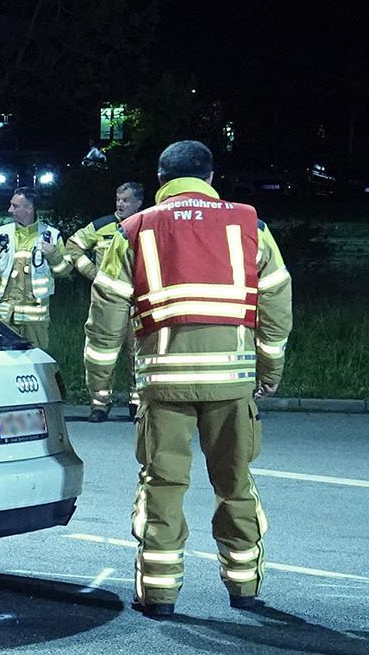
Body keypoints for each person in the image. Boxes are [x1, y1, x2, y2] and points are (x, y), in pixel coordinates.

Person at [85, 141, 293, 617]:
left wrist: (100, 386)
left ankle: (158, 594)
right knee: (236, 482)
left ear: (161, 180)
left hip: (163, 386)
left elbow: (106, 316)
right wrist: (269, 368)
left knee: (162, 485)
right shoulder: (250, 226)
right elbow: (277, 304)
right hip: (232, 383)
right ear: (211, 177)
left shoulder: (133, 231)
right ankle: (244, 587)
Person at [63, 182, 148, 420]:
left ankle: (137, 403)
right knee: (101, 352)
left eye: (126, 200)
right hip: (107, 300)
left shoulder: (148, 224)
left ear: (139, 202)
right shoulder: (102, 226)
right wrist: (92, 273)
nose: (120, 204)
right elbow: (73, 246)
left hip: (139, 301)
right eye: (118, 199)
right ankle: (99, 404)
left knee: (139, 353)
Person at [0, 187, 70, 347]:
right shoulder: (1, 235)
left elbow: (64, 271)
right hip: (3, 317)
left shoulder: (52, 235)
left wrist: (53, 254)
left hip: (34, 321)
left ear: (29, 208)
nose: (9, 210)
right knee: (1, 363)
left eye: (15, 206)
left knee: (36, 361)